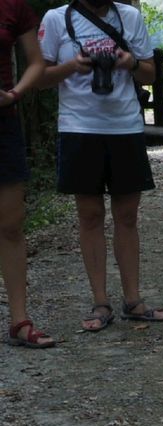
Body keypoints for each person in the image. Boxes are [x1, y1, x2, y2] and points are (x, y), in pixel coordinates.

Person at [38, 0, 163, 331]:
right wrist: (73, 67)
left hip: (124, 126)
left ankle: (133, 300)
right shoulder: (56, 19)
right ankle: (100, 303)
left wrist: (129, 63)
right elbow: (39, 77)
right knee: (90, 215)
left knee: (127, 216)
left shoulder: (129, 18)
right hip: (78, 128)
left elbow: (151, 73)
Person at [1, 0, 55, 348]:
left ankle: (19, 320)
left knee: (10, 222)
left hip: (3, 120)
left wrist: (15, 94)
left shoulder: (12, 6)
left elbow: (36, 62)